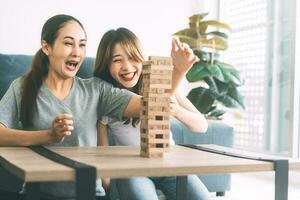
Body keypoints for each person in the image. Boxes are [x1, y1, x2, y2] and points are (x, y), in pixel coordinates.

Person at [0, 15, 196, 200]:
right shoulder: (23, 87)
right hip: (37, 193)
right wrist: (47, 136)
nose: (77, 52)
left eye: (82, 45)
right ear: (46, 47)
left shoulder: (96, 90)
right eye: (68, 43)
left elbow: (152, 106)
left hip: (90, 193)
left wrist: (178, 72)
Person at [94, 27, 210, 200]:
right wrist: (106, 190)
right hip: (133, 171)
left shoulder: (163, 85)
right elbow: (101, 152)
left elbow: (202, 125)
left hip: (169, 164)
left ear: (142, 59)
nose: (127, 67)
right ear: (106, 65)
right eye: (117, 60)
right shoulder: (108, 98)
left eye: (133, 58)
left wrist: (177, 111)